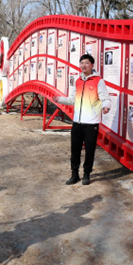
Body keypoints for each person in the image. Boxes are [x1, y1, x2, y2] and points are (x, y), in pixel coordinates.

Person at [53, 54, 110, 185]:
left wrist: (106, 106)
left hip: (91, 123)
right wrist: (59, 99)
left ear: (92, 65)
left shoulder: (98, 81)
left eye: (86, 63)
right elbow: (72, 99)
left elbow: (105, 98)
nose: (83, 65)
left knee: (89, 150)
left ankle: (86, 174)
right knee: (75, 149)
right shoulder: (78, 81)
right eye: (81, 63)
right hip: (77, 122)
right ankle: (74, 175)